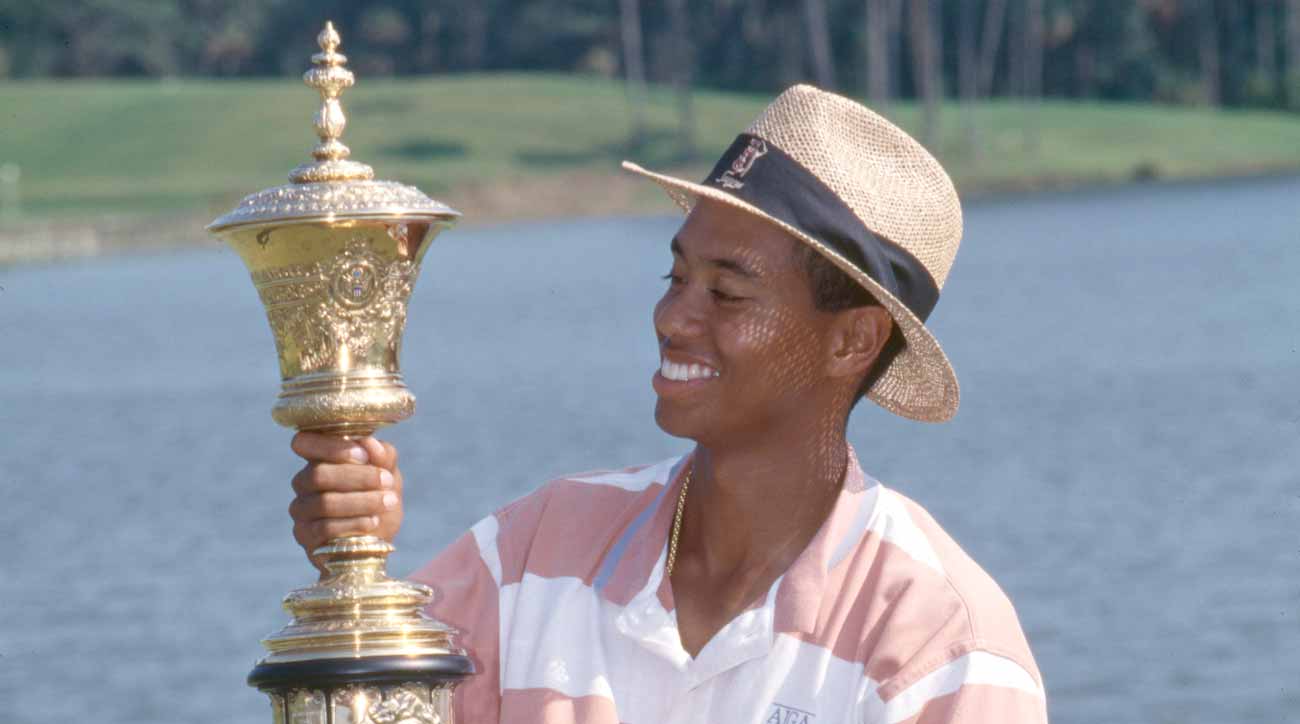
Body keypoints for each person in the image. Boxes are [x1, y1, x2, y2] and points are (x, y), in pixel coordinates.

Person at [287, 85, 1047, 723]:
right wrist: (355, 582)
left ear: (852, 340)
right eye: (675, 277)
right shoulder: (532, 553)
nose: (674, 318)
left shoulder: (940, 650)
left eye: (726, 291)